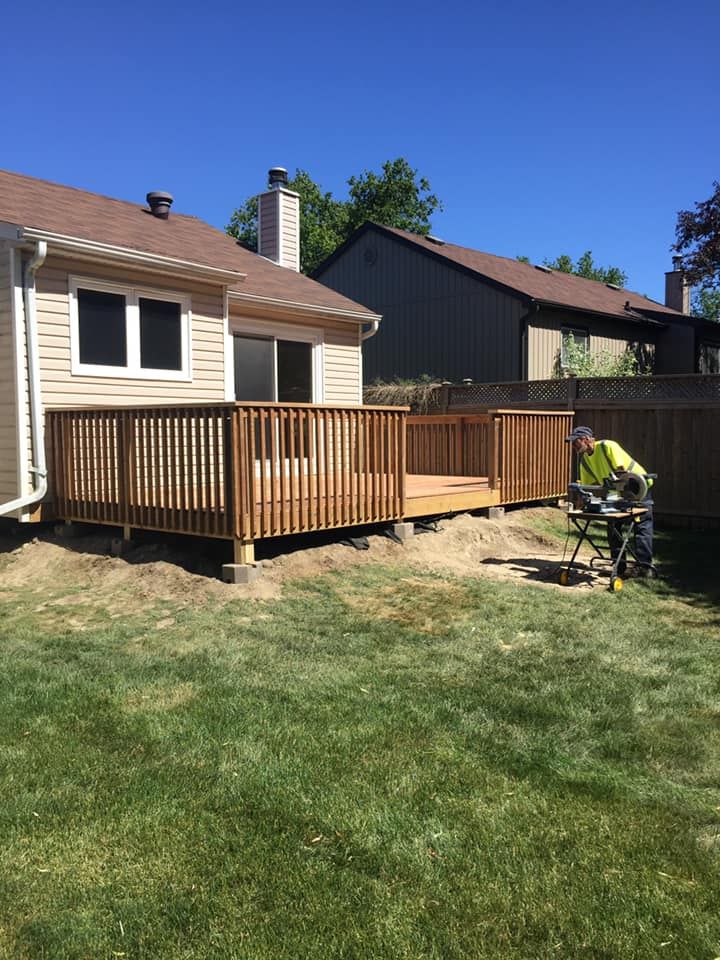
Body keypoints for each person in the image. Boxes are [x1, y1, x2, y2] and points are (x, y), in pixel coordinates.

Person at [565, 425, 655, 578]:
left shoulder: (608, 446)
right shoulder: (585, 461)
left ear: (586, 440)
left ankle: (645, 568)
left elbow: (622, 472)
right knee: (613, 526)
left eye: (576, 442)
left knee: (641, 527)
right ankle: (618, 566)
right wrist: (581, 502)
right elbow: (587, 486)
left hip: (638, 488)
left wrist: (617, 496)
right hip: (618, 493)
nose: (573, 446)